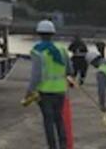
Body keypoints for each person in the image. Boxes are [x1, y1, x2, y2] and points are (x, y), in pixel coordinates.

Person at [26, 20, 72, 149]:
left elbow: (36, 75)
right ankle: (63, 145)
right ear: (53, 34)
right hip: (60, 91)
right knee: (59, 118)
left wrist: (29, 91)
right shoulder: (62, 49)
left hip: (45, 92)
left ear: (39, 34)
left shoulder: (37, 51)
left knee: (48, 121)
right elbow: (69, 70)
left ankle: (52, 146)